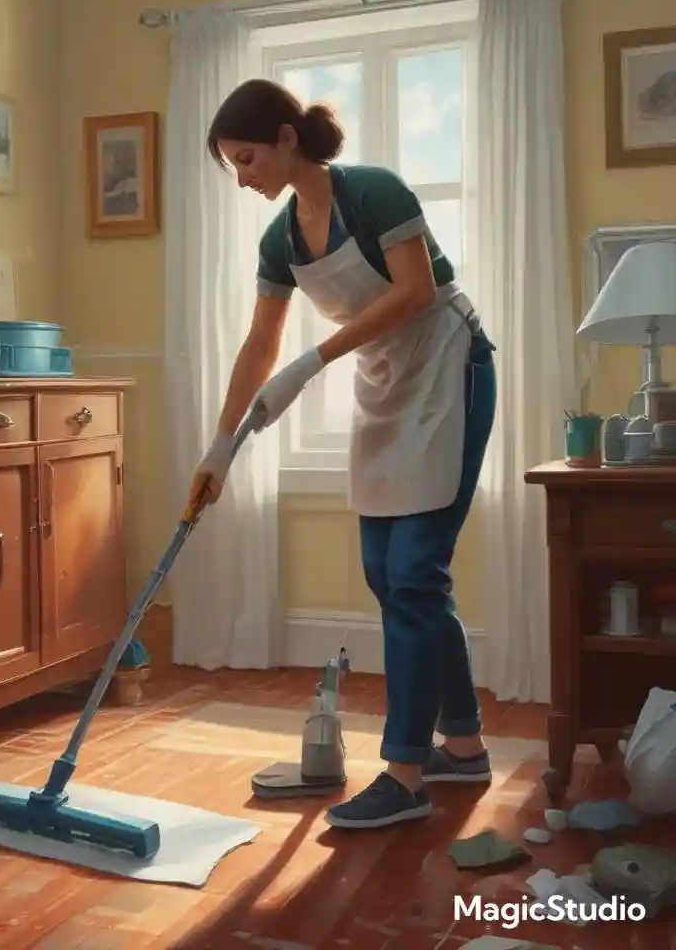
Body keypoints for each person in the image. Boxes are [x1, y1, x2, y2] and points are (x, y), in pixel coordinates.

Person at [188, 78, 497, 830]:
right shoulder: (281, 238)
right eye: (232, 164)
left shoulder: (373, 193)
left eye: (247, 157)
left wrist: (311, 362)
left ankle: (405, 773)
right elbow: (260, 343)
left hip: (450, 368)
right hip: (387, 384)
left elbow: (417, 292)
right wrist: (219, 450)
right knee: (390, 576)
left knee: (415, 573)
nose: (244, 177)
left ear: (288, 139)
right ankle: (463, 744)